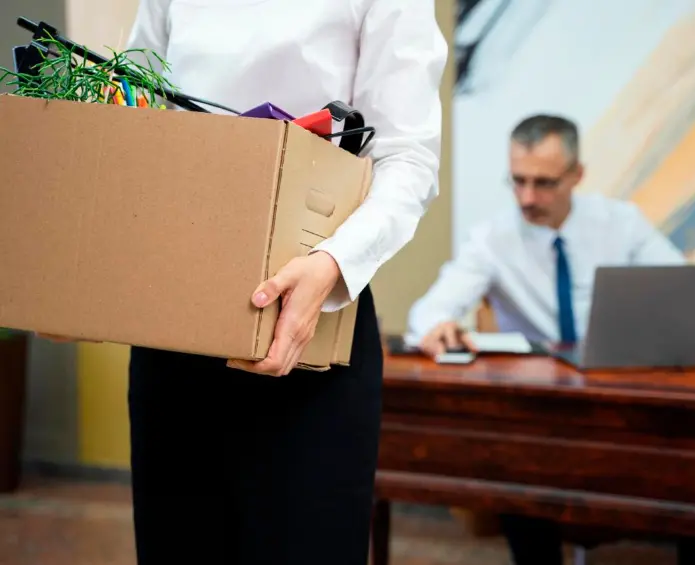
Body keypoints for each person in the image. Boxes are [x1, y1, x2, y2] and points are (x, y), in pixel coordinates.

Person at [40, 2, 445, 564]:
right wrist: (89, 280)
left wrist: (332, 263)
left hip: (312, 324)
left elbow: (408, 157)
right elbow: (142, 112)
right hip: (173, 329)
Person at [407, 114, 695, 565]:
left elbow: (687, 295)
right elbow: (428, 310)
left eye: (544, 183)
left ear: (577, 175)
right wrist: (436, 326)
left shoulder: (621, 224)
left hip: (625, 399)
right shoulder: (492, 240)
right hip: (542, 411)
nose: (527, 197)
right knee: (516, 469)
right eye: (517, 180)